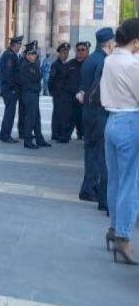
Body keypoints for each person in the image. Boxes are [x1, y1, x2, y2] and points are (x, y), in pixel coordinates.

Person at [100, 18, 139, 264]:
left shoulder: (109, 59)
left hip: (111, 120)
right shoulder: (134, 64)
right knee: (130, 184)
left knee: (114, 181)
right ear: (135, 41)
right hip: (130, 121)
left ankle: (114, 228)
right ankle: (123, 237)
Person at [77, 28, 115, 207]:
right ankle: (91, 189)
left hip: (88, 111)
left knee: (91, 150)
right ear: (109, 43)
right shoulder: (105, 61)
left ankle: (88, 187)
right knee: (99, 153)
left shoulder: (91, 58)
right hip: (99, 112)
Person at [19, 42, 51, 149]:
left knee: (37, 117)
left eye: (34, 54)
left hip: (34, 95)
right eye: (31, 54)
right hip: (29, 95)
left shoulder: (34, 65)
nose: (33, 56)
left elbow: (37, 77)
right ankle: (28, 141)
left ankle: (39, 139)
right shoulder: (25, 66)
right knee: (30, 118)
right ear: (27, 55)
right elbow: (30, 81)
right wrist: (37, 86)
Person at [0, 35, 23, 143]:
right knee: (10, 113)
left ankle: (4, 134)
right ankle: (5, 135)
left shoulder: (11, 55)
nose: (20, 47)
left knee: (10, 112)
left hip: (9, 89)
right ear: (15, 44)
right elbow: (8, 74)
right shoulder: (9, 55)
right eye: (19, 45)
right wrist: (12, 88)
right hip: (9, 90)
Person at [48, 42, 72, 143]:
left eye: (67, 52)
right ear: (59, 53)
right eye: (63, 52)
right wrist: (53, 92)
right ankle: (55, 134)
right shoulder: (55, 65)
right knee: (57, 113)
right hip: (58, 93)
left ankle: (62, 133)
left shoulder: (67, 65)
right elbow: (51, 80)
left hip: (65, 94)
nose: (65, 54)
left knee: (64, 114)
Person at [68, 42, 89, 140]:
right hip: (71, 97)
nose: (80, 52)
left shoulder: (89, 63)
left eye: (83, 50)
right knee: (70, 118)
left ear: (87, 51)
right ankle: (67, 135)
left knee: (83, 119)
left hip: (85, 97)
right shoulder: (70, 64)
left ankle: (82, 135)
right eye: (78, 50)